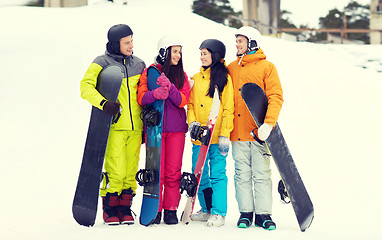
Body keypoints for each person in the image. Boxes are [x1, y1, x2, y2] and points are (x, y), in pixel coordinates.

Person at [80, 24, 146, 225]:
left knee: (130, 171)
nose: (131, 45)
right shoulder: (101, 62)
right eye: (126, 42)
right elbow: (85, 87)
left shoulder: (139, 64)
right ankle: (109, 209)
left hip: (136, 127)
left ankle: (125, 208)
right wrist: (103, 103)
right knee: (115, 170)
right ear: (115, 44)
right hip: (115, 126)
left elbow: (143, 94)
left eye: (132, 41)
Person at [227, 26, 283, 230]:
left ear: (251, 43)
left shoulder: (267, 67)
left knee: (261, 174)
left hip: (259, 133)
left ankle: (263, 214)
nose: (237, 44)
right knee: (241, 174)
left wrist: (268, 124)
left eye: (240, 41)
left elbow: (276, 96)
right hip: (237, 132)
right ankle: (245, 213)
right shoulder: (231, 67)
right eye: (237, 41)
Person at [137, 36, 190, 225]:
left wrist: (171, 88)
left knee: (173, 172)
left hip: (176, 130)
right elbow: (141, 98)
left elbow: (184, 100)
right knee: (156, 171)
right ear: (164, 52)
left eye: (179, 52)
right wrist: (154, 94)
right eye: (174, 51)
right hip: (155, 130)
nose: (178, 55)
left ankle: (170, 209)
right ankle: (156, 210)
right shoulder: (149, 72)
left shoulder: (181, 75)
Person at [187, 39, 234, 227]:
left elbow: (228, 107)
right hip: (199, 138)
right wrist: (192, 124)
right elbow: (190, 105)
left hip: (216, 138)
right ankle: (206, 209)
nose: (202, 56)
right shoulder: (196, 78)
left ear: (215, 55)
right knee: (199, 174)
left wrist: (224, 134)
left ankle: (218, 212)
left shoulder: (225, 78)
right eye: (201, 53)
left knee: (218, 174)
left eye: (205, 53)